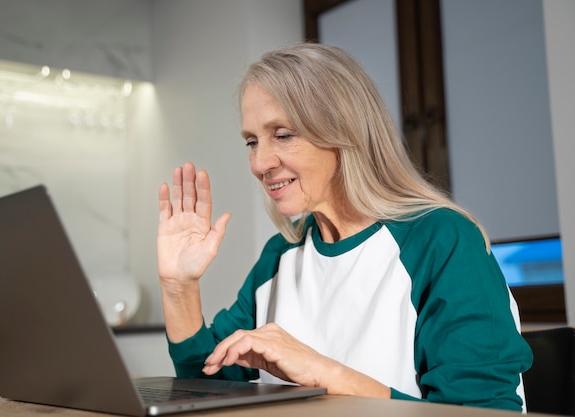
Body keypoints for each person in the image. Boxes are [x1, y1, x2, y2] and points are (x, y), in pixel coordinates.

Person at [157, 43, 532, 411]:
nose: (260, 163)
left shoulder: (441, 240)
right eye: (252, 142)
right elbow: (204, 390)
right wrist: (179, 287)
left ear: (345, 132)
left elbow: (482, 410)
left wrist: (326, 376)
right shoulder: (281, 254)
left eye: (283, 134)